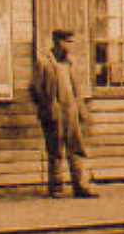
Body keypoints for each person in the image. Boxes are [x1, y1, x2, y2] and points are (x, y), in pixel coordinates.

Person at [30, 28, 95, 198]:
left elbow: (77, 88)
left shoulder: (71, 63)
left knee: (77, 149)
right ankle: (56, 188)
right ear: (57, 42)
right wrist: (47, 107)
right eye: (66, 41)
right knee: (55, 151)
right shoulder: (43, 62)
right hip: (54, 112)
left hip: (71, 111)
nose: (69, 45)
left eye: (70, 41)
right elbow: (35, 89)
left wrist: (80, 109)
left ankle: (80, 186)